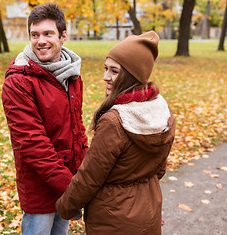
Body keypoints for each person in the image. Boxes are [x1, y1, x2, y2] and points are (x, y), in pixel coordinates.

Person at [56, 31, 176, 235]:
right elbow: (160, 169)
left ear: (131, 75)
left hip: (112, 218)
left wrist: (65, 206)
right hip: (149, 210)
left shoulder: (115, 121)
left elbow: (90, 177)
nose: (106, 77)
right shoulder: (161, 112)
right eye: (106, 69)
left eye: (114, 71)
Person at [1, 3, 88, 235]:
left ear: (63, 36)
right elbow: (32, 143)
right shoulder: (19, 81)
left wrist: (85, 173)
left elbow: (77, 129)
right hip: (41, 185)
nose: (41, 41)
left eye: (48, 33)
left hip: (68, 180)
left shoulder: (71, 74)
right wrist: (72, 187)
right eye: (34, 35)